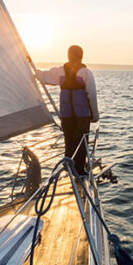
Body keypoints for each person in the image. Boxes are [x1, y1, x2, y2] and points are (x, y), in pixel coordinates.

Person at [35, 45, 99, 175]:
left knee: (69, 142)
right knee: (81, 142)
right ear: (81, 56)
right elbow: (91, 94)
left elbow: (44, 77)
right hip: (82, 115)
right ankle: (79, 171)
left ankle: (69, 168)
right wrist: (95, 115)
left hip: (67, 115)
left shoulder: (60, 72)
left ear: (68, 56)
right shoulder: (86, 73)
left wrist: (36, 73)